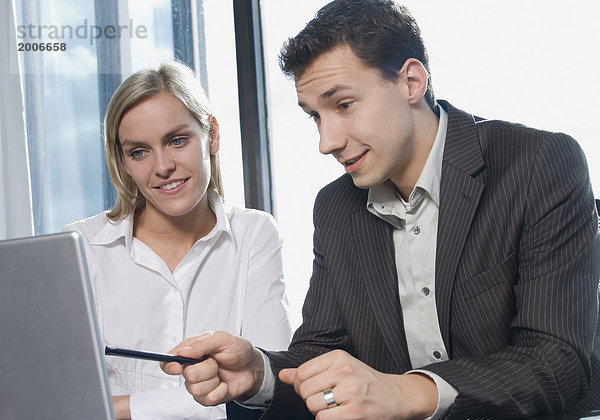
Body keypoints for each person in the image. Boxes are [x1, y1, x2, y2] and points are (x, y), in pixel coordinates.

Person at [162, 1, 600, 418]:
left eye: (343, 105)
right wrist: (259, 373)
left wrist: (406, 392)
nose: (327, 141)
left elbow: (556, 361)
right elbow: (319, 353)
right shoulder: (335, 207)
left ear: (411, 82)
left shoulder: (538, 163)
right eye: (314, 116)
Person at [63, 61, 292, 420]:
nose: (162, 166)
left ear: (212, 135)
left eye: (177, 140)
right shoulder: (79, 248)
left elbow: (268, 385)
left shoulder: (254, 235)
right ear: (123, 162)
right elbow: (63, 401)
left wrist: (119, 408)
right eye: (139, 152)